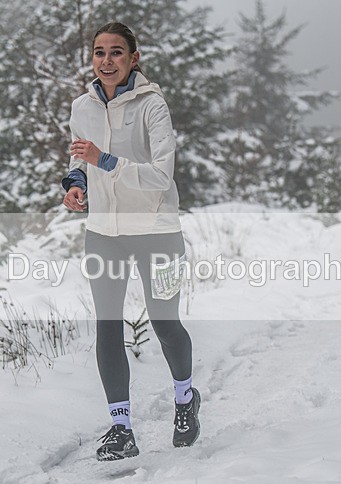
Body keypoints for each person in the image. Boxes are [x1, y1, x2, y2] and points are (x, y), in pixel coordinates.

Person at [61, 21, 200, 461]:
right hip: (104, 232)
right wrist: (76, 183)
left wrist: (104, 160)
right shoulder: (82, 106)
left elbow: (161, 174)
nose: (106, 61)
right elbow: (78, 157)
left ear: (133, 58)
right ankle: (121, 428)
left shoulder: (152, 106)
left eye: (116, 52)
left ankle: (185, 399)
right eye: (99, 52)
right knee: (107, 326)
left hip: (157, 230)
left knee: (164, 323)